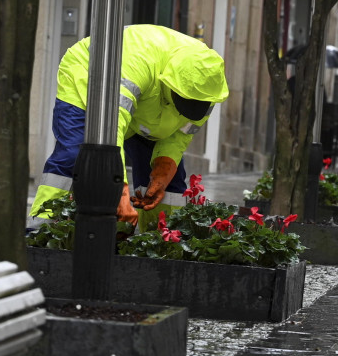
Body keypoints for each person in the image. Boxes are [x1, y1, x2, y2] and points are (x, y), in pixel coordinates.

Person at [30, 24, 229, 225]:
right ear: (170, 83)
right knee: (74, 155)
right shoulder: (139, 62)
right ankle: (41, 229)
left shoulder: (208, 88)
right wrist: (118, 189)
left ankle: (159, 241)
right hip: (87, 76)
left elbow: (180, 135)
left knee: (170, 183)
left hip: (146, 106)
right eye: (184, 101)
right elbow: (111, 126)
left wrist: (164, 167)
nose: (185, 111)